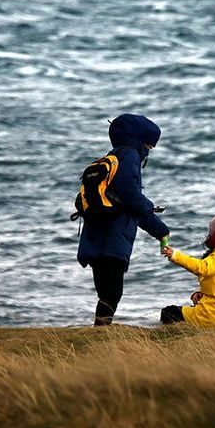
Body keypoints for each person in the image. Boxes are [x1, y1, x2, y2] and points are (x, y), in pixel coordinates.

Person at [76, 114, 171, 326]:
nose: (150, 150)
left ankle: (101, 329)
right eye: (149, 145)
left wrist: (155, 225)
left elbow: (127, 201)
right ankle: (101, 332)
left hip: (95, 237)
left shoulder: (113, 156)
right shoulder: (130, 156)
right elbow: (131, 197)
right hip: (113, 237)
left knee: (106, 291)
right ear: (139, 140)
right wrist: (159, 226)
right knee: (112, 292)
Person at [158, 212, 215, 326]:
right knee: (189, 309)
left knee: (169, 312)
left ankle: (170, 336)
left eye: (211, 232)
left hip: (214, 316)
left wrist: (175, 255)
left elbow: (202, 267)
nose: (208, 236)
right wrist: (200, 293)